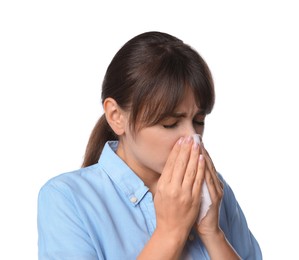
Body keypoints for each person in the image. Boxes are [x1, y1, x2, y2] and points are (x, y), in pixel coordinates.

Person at [37, 31, 262, 260]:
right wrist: (170, 232)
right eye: (170, 123)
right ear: (116, 116)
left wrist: (212, 233)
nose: (192, 136)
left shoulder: (215, 190)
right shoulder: (66, 198)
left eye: (198, 121)